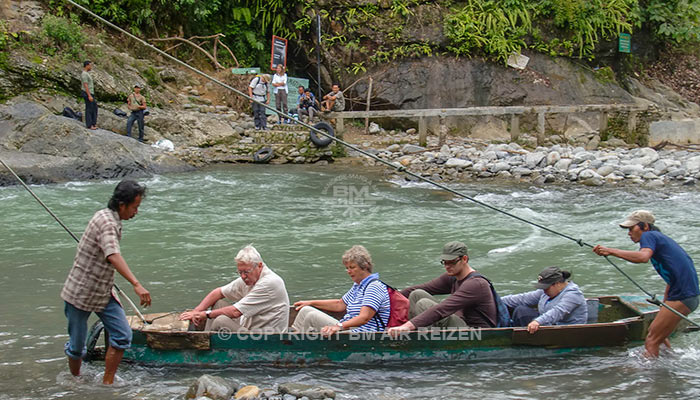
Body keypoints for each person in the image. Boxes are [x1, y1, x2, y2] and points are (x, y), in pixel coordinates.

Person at [60, 180, 151, 384]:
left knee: (122, 335)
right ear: (122, 205)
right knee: (76, 348)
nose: (136, 212)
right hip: (81, 292)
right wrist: (136, 284)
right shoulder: (107, 222)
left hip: (103, 291)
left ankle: (107, 383)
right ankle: (75, 382)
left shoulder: (108, 216)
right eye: (135, 207)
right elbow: (112, 255)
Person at [593, 210, 700, 357]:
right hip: (689, 297)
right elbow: (673, 276)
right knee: (660, 337)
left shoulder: (649, 236)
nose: (629, 233)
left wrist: (610, 251)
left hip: (683, 296)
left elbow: (643, 257)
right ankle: (669, 363)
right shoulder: (661, 239)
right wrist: (665, 303)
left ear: (645, 226)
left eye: (632, 228)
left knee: (651, 340)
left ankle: (652, 376)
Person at [387, 242, 497, 335]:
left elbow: (442, 309)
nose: (447, 266)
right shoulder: (453, 277)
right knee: (416, 294)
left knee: (424, 303)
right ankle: (416, 334)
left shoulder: (476, 284)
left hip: (477, 333)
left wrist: (406, 326)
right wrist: (388, 297)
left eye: (451, 262)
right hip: (459, 323)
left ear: (464, 259)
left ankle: (426, 343)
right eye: (444, 262)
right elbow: (422, 288)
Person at [179, 245, 289, 333]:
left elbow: (235, 312)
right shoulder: (249, 278)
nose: (243, 276)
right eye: (240, 272)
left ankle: (206, 345)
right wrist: (197, 311)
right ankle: (205, 337)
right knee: (219, 303)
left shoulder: (269, 282)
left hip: (265, 337)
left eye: (246, 272)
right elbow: (218, 292)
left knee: (221, 320)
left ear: (259, 266)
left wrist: (205, 314)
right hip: (248, 326)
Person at [292, 245, 390, 334]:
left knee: (311, 316)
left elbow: (364, 317)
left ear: (364, 267)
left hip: (363, 334)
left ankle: (297, 348)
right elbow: (340, 304)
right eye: (347, 268)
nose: (348, 271)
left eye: (352, 267)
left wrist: (339, 326)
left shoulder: (374, 287)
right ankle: (292, 340)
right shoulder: (358, 285)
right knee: (305, 310)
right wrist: (311, 302)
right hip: (348, 328)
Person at [501, 267, 587, 334]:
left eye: (546, 288)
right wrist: (497, 300)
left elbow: (557, 312)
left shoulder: (573, 295)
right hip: (548, 326)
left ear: (557, 284)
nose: (544, 291)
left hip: (566, 332)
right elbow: (523, 298)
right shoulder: (545, 292)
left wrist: (537, 321)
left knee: (521, 312)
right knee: (520, 309)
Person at [81, 60, 97, 130]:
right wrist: (89, 95)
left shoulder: (87, 74)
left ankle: (93, 123)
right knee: (89, 108)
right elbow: (85, 85)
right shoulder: (84, 74)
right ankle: (89, 125)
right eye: (90, 65)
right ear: (87, 65)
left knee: (94, 107)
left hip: (90, 93)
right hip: (87, 93)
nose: (91, 67)